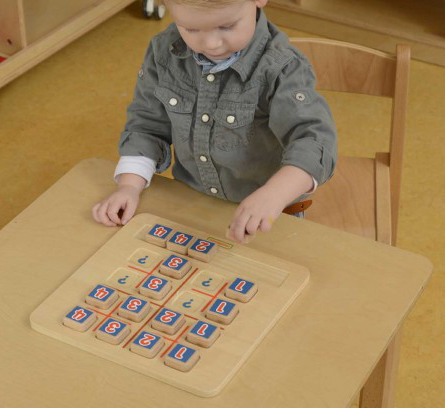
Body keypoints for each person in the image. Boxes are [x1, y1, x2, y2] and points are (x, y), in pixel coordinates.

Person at [92, 0, 337, 244]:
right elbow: (146, 126)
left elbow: (314, 141)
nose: (211, 44)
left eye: (226, 26)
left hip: (270, 214)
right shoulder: (163, 51)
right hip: (194, 203)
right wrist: (129, 186)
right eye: (191, 29)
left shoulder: (283, 67)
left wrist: (274, 195)